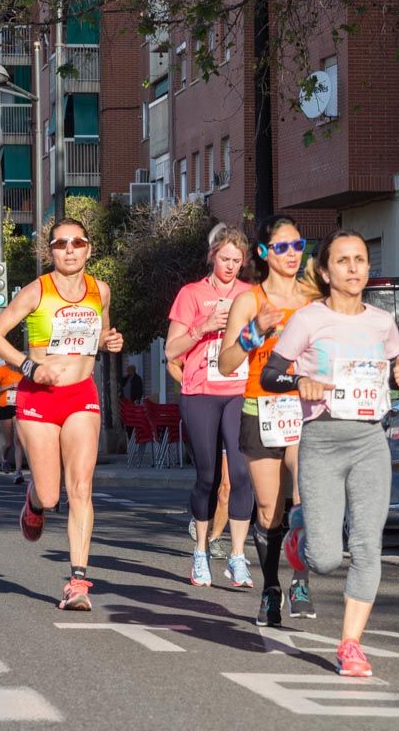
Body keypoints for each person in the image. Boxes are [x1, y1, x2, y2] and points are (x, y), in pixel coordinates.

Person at [261, 231, 399, 677]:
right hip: (322, 440)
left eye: (360, 260)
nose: (353, 268)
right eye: (343, 261)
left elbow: (392, 375)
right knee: (325, 558)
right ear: (325, 272)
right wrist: (299, 382)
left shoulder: (383, 323)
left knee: (367, 546)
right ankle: (299, 537)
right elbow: (271, 375)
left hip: (369, 440)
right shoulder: (309, 319)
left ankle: (350, 645)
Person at [0, 218, 124, 611]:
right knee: (50, 493)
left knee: (80, 488)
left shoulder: (101, 290)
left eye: (76, 242)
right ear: (51, 251)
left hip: (81, 395)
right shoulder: (36, 291)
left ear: (88, 248)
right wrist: (29, 367)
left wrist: (111, 341)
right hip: (38, 398)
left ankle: (78, 581)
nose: (69, 249)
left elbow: (103, 335)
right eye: (60, 244)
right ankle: (34, 501)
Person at [219, 214, 312, 625]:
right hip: (261, 410)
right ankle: (272, 588)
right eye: (282, 247)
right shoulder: (249, 301)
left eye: (297, 245)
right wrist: (254, 331)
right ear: (263, 252)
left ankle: (302, 580)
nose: (292, 254)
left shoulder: (313, 297)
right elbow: (226, 364)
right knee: (268, 507)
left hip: (305, 410)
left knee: (305, 494)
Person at [165, 223, 254, 587]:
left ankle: (237, 556)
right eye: (225, 259)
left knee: (241, 474)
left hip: (240, 390)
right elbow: (171, 350)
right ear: (212, 257)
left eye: (237, 260)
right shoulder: (191, 294)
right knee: (207, 477)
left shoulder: (251, 294)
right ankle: (200, 552)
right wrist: (203, 326)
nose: (231, 266)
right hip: (200, 391)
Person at [0, 358, 25, 483]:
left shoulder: (23, 371)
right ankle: (4, 458)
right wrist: (10, 386)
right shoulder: (2, 370)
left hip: (19, 406)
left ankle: (18, 472)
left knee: (18, 440)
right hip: (5, 406)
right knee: (9, 443)